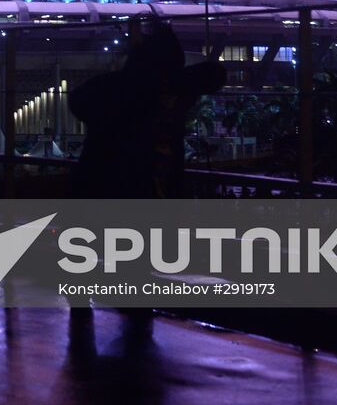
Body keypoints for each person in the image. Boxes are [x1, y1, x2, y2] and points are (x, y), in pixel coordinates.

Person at [66, 21, 224, 353]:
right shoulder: (176, 90)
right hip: (148, 185)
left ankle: (84, 309)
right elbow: (213, 77)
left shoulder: (113, 87)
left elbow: (79, 100)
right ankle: (136, 314)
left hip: (99, 179)